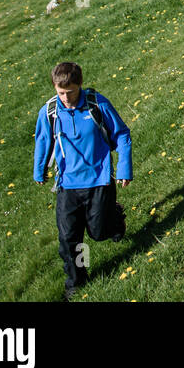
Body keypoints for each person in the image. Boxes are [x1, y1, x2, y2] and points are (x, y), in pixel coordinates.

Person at [33, 61, 133, 300]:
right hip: (67, 185)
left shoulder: (96, 104)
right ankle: (76, 281)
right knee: (69, 239)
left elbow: (122, 134)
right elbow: (42, 141)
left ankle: (115, 218)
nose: (66, 98)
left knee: (98, 233)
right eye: (60, 92)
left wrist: (124, 168)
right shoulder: (50, 111)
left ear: (80, 85)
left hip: (99, 179)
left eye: (70, 92)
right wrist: (39, 171)